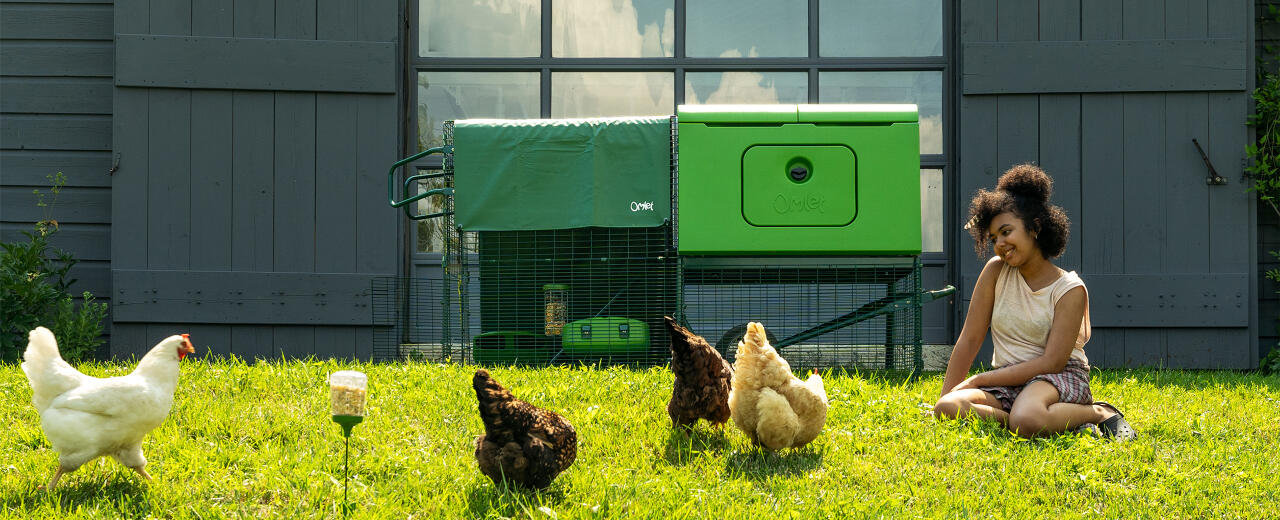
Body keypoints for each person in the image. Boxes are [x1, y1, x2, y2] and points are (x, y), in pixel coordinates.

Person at [933, 164, 1135, 441]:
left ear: (1035, 227)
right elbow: (970, 338)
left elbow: (1052, 362)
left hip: (1057, 377)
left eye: (1006, 232)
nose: (1000, 244)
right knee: (947, 408)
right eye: (993, 238)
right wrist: (946, 396)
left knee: (1027, 418)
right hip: (1009, 381)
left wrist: (978, 380)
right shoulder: (995, 271)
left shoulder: (1069, 289)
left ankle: (1096, 413)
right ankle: (1039, 419)